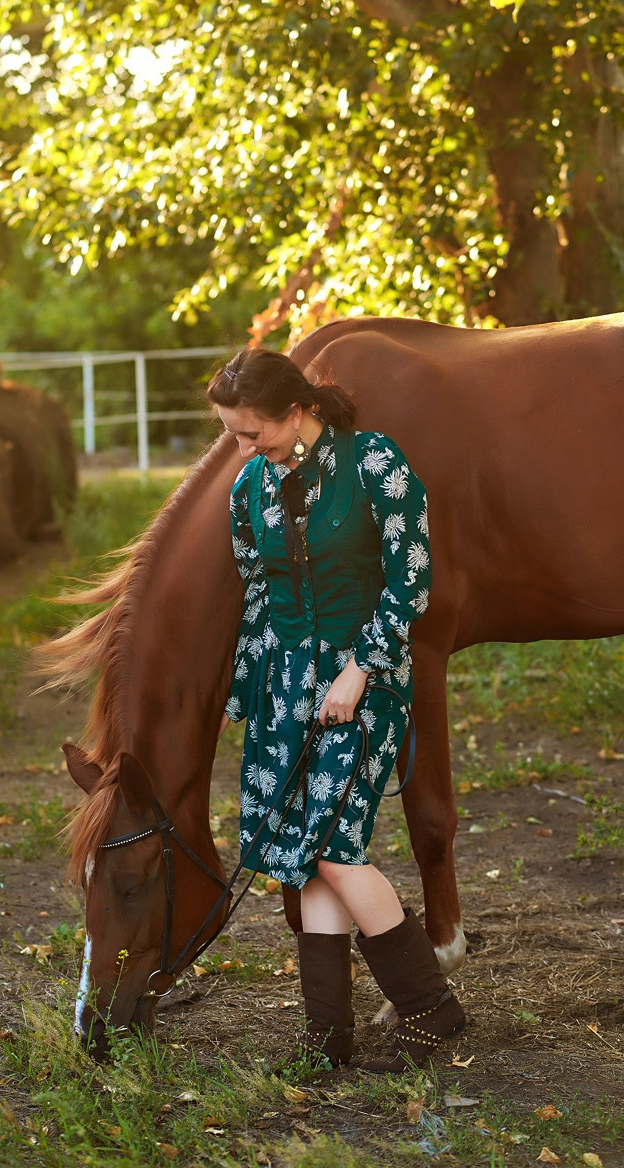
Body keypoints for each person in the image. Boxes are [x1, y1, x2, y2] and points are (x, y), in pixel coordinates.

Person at [208, 347, 465, 1073]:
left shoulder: (374, 464)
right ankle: (328, 1033)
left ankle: (428, 1006)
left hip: (364, 683)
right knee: (303, 863)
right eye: (231, 434)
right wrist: (249, 693)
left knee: (335, 850)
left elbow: (409, 578)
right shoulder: (250, 488)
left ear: (295, 412)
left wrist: (359, 669)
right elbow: (257, 591)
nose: (241, 447)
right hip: (283, 690)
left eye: (249, 433)